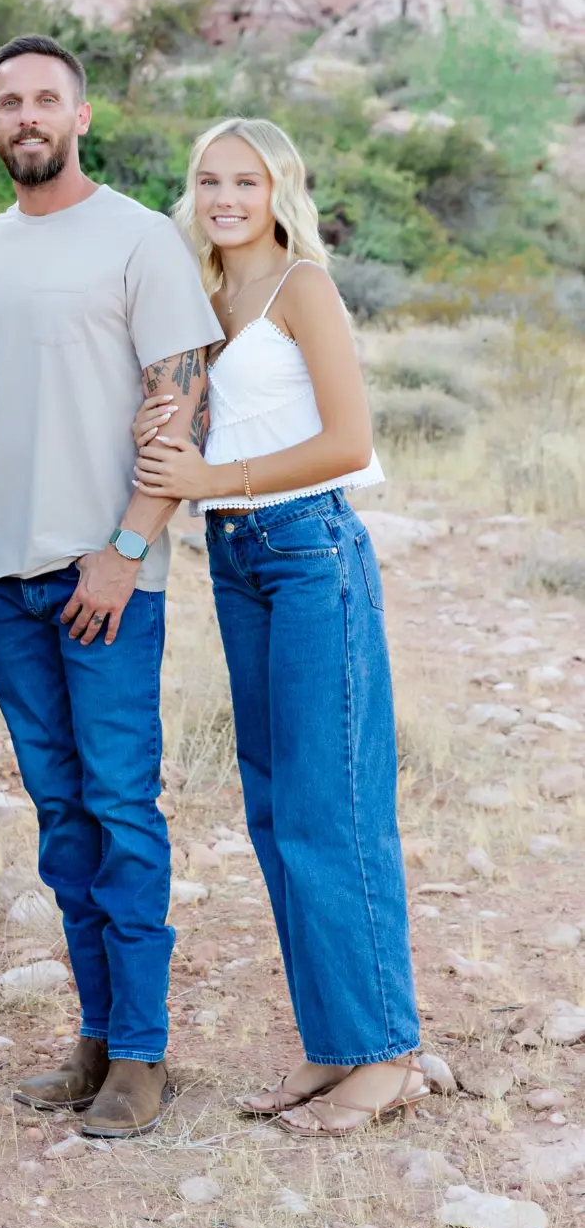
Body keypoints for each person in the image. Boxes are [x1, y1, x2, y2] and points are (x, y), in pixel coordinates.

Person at [133, 116, 426, 1134]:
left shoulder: (303, 287)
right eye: (208, 178)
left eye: (245, 181)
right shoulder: (205, 300)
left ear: (278, 190)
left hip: (310, 553)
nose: (223, 197)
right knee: (273, 812)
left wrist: (217, 477)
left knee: (331, 806)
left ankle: (387, 1052)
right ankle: (334, 1041)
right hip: (238, 561)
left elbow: (348, 440)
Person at [0, 35, 221, 1139]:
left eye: (46, 100)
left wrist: (126, 547)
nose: (28, 115)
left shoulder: (139, 237)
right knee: (61, 814)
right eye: (8, 100)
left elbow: (185, 402)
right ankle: (97, 1034)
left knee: (121, 804)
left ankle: (145, 1054)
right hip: (4, 574)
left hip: (105, 571)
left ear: (82, 115)